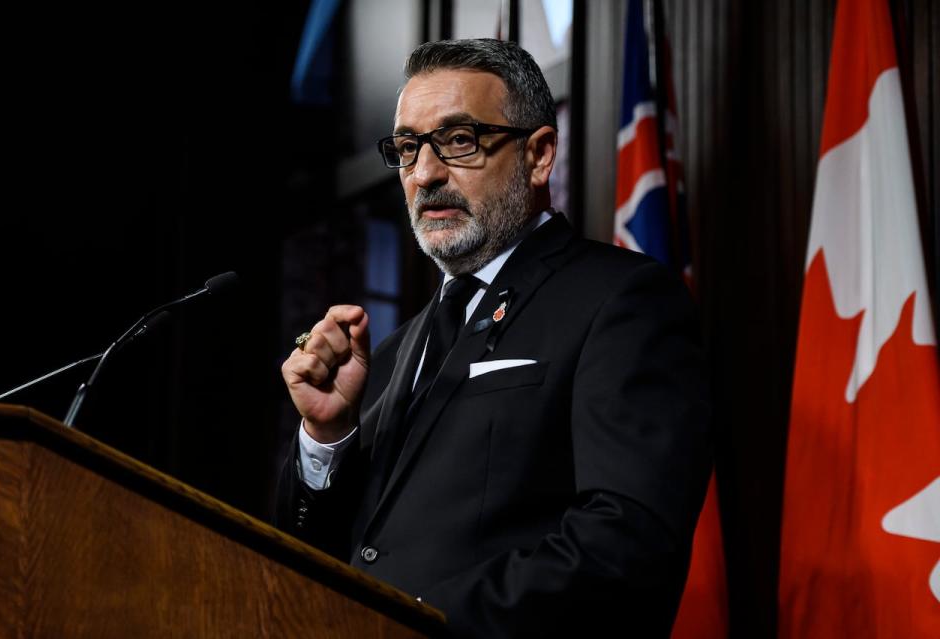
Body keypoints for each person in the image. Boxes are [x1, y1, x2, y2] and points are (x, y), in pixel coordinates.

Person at [275, 38, 711, 638]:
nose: (425, 174)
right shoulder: (389, 353)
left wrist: (410, 622)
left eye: (459, 141)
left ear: (538, 155)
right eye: (408, 148)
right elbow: (322, 563)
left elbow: (625, 546)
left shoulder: (621, 301)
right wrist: (326, 440)